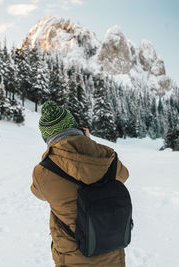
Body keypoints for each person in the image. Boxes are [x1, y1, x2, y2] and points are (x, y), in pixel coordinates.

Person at [31, 100, 130, 267]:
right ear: (76, 127)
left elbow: (38, 193)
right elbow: (123, 175)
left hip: (72, 258)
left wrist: (50, 155)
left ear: (47, 137)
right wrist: (89, 143)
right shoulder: (107, 156)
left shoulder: (43, 171)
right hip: (112, 253)